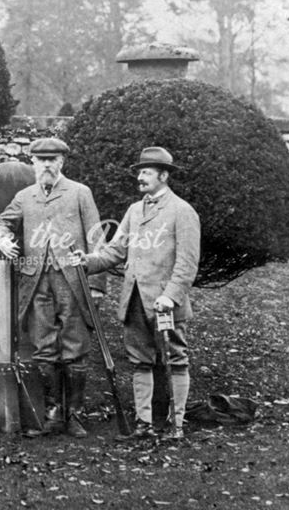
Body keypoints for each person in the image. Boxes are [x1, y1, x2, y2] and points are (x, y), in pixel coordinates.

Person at [73, 147, 200, 441]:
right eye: (139, 172)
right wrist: (88, 261)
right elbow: (116, 251)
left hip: (165, 304)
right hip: (133, 300)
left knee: (175, 359)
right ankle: (144, 423)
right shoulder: (134, 210)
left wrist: (171, 295)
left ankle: (175, 424)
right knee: (139, 361)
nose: (140, 177)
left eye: (146, 172)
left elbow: (187, 262)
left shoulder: (182, 211)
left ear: (164, 175)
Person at [0, 137, 105, 438]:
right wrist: (1, 239)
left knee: (75, 346)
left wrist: (98, 285)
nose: (47, 165)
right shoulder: (25, 196)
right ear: (33, 163)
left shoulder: (80, 193)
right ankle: (52, 413)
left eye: (52, 160)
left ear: (62, 162)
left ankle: (75, 414)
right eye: (41, 160)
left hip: (72, 280)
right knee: (43, 346)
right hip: (36, 280)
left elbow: (96, 239)